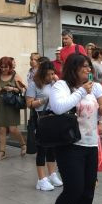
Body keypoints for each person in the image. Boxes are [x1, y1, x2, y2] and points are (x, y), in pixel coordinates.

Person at [45, 54, 102, 204]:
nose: (88, 70)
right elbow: (58, 107)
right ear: (73, 68)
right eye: (84, 67)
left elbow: (97, 111)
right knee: (74, 190)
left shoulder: (94, 87)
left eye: (89, 67)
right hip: (69, 145)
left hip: (90, 145)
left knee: (87, 193)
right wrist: (80, 92)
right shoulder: (61, 86)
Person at [25, 61, 63, 191]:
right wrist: (43, 100)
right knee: (42, 149)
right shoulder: (33, 85)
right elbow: (29, 104)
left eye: (53, 73)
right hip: (41, 117)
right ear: (42, 74)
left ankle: (52, 174)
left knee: (52, 148)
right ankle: (41, 179)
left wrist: (57, 82)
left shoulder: (54, 83)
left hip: (53, 117)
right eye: (49, 74)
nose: (52, 76)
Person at [0, 56, 27, 161]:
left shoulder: (15, 76)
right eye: (1, 67)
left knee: (13, 129)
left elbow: (23, 89)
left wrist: (12, 88)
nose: (3, 69)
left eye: (6, 67)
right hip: (1, 104)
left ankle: (23, 144)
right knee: (1, 129)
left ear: (10, 66)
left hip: (12, 105)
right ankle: (2, 152)